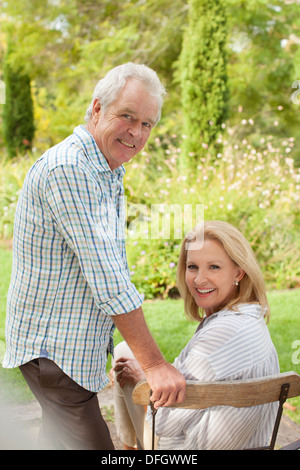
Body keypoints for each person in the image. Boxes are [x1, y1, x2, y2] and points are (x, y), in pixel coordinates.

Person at [2, 63, 186, 450]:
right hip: (52, 351)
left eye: (148, 124)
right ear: (98, 108)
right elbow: (109, 278)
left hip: (65, 348)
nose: (137, 133)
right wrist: (154, 365)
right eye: (128, 116)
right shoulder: (71, 169)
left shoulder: (104, 167)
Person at [112, 220, 280, 450]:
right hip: (251, 445)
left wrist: (144, 379)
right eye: (192, 267)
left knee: (123, 352)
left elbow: (162, 422)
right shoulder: (251, 318)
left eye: (214, 267)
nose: (199, 279)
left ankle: (128, 451)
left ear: (238, 272)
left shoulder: (221, 335)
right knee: (130, 356)